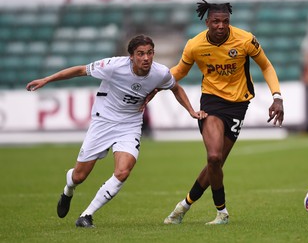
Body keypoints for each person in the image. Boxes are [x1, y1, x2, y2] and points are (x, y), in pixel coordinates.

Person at [26, 35, 207, 228]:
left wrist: (191, 111)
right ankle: (68, 190)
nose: (146, 58)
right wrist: (47, 79)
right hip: (103, 121)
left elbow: (175, 88)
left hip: (130, 124)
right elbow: (80, 70)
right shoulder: (113, 66)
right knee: (79, 176)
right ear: (131, 56)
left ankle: (86, 215)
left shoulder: (160, 72)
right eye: (140, 54)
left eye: (149, 53)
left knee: (123, 171)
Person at [160, 0, 284, 225]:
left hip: (238, 105)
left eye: (225, 21)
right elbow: (179, 71)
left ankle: (183, 206)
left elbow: (266, 65)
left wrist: (277, 97)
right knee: (214, 156)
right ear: (207, 22)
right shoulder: (195, 45)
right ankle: (222, 212)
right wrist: (154, 85)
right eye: (215, 21)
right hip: (211, 102)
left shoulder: (245, 40)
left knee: (215, 164)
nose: (220, 25)